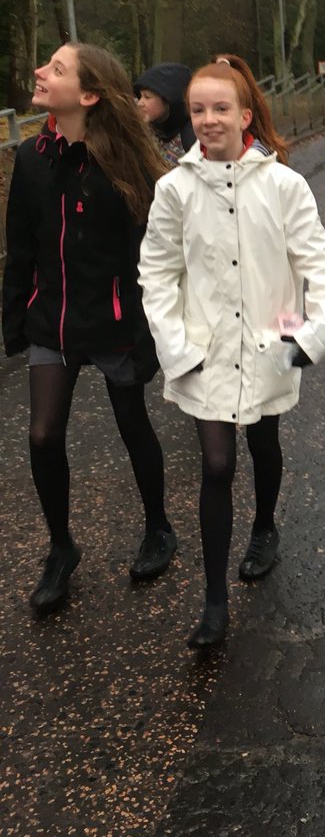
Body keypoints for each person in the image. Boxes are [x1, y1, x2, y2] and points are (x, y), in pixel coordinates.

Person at [139, 61, 325, 649]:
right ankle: (214, 600)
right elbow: (157, 274)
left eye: (221, 108)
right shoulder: (174, 190)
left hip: (267, 344)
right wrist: (176, 348)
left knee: (264, 440)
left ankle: (265, 526)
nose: (209, 120)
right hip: (204, 353)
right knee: (216, 465)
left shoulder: (284, 186)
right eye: (198, 109)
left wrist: (309, 334)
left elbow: (316, 265)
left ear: (245, 115)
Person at [2, 42, 175, 615]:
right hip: (51, 320)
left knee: (132, 424)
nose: (40, 72)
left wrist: (149, 335)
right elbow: (20, 247)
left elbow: (149, 256)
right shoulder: (31, 158)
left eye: (56, 69)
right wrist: (14, 320)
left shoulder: (126, 163)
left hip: (114, 321)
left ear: (90, 94)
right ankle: (61, 548)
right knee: (42, 435)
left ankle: (158, 526)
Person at [134, 62, 196, 166]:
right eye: (140, 96)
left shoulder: (191, 140)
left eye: (147, 97)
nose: (140, 103)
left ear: (168, 100)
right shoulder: (143, 130)